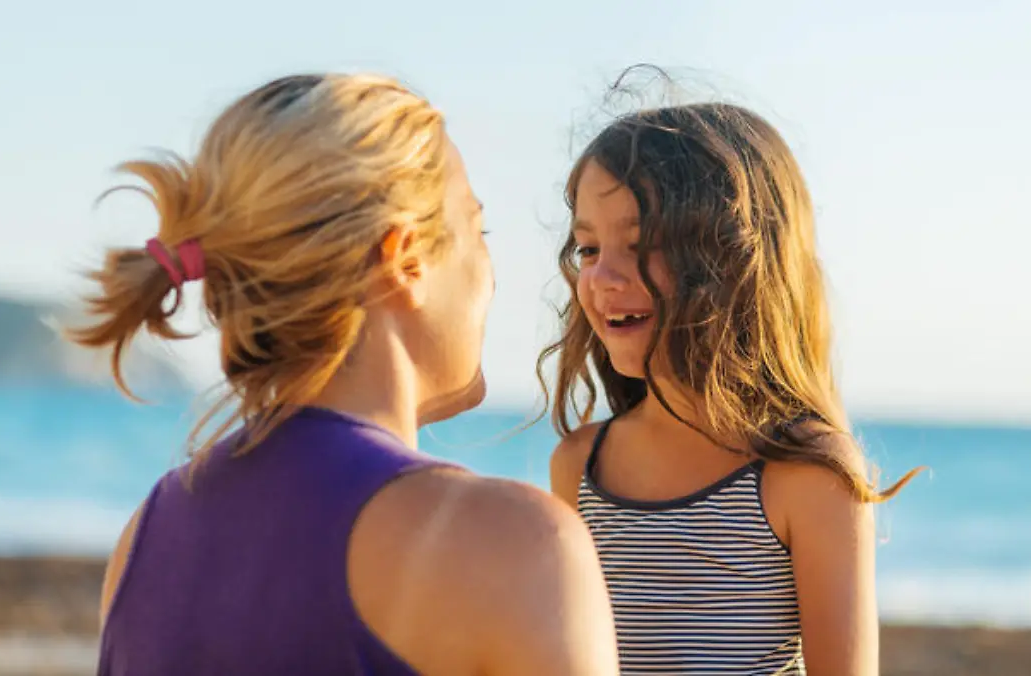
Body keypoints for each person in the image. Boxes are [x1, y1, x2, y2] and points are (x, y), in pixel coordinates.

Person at [70, 73, 619, 676]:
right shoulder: (515, 544)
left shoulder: (145, 541)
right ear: (403, 259)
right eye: (476, 230)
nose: (491, 273)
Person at [541, 96, 919, 675]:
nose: (601, 277)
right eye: (588, 248)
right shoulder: (579, 467)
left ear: (733, 261)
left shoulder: (805, 472)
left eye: (640, 245)